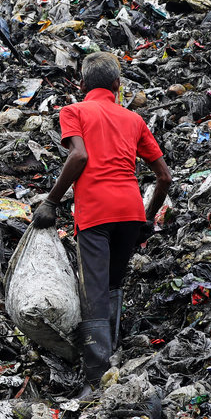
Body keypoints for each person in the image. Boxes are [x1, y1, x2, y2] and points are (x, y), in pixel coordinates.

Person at [32, 53, 172, 393]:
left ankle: (96, 380)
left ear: (82, 85)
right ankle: (112, 355)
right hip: (130, 211)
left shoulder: (74, 111)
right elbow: (164, 177)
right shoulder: (133, 119)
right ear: (117, 86)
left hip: (95, 213)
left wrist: (50, 202)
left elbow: (79, 155)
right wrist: (148, 218)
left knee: (94, 292)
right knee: (112, 285)